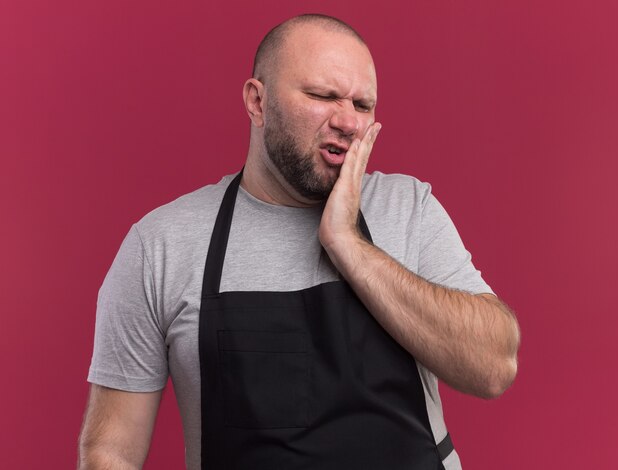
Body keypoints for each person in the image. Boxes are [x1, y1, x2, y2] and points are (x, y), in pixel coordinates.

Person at [78, 13, 520, 470]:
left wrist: (348, 245)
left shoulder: (409, 207)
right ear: (257, 102)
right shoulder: (161, 246)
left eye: (363, 104)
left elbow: (493, 366)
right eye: (322, 95)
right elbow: (110, 452)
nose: (348, 121)